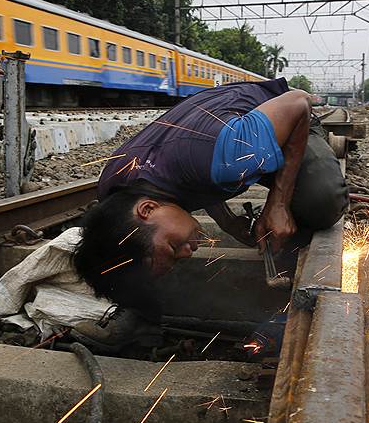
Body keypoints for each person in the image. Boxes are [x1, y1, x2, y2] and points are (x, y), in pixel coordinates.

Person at [71, 78, 348, 350]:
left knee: (320, 200)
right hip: (213, 137)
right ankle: (142, 319)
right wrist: (227, 222)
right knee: (136, 265)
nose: (187, 254)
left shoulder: (230, 155)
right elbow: (192, 179)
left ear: (148, 209)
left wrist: (279, 203)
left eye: (172, 247)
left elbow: (298, 102)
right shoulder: (115, 193)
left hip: (286, 119)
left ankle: (288, 262)